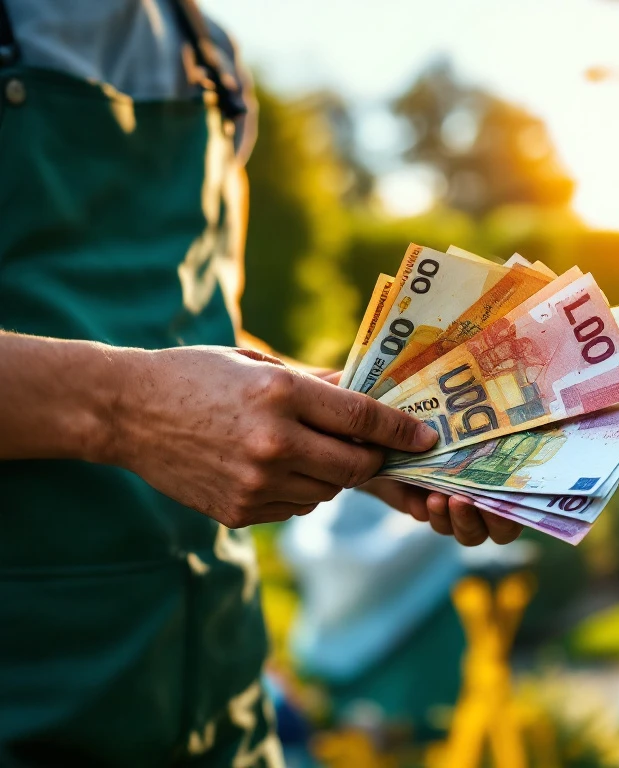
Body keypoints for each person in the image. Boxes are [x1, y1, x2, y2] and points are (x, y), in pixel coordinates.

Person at [0, 1, 522, 765]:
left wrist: (348, 418)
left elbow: (195, 331)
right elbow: (152, 382)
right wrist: (125, 411)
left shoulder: (204, 52)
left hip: (219, 704)